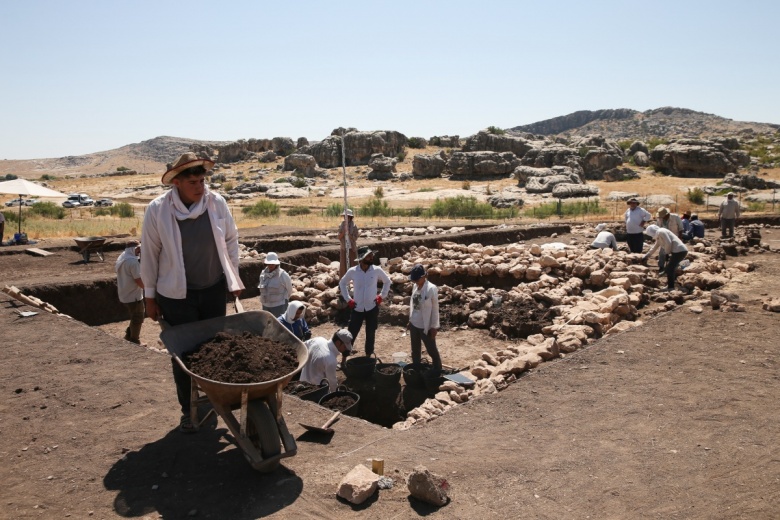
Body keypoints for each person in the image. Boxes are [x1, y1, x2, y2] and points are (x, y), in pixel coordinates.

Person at [141, 152, 244, 433]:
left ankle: (212, 404)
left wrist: (230, 276)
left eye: (202, 181)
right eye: (193, 183)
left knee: (214, 350)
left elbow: (231, 239)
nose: (200, 187)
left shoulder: (215, 203)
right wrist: (149, 298)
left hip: (211, 288)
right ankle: (189, 410)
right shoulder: (158, 210)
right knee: (184, 356)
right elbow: (150, 255)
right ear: (176, 183)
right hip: (176, 295)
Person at [338, 245, 391, 357]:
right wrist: (348, 300)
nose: (372, 258)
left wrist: (381, 296)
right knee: (351, 334)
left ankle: (368, 356)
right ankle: (344, 357)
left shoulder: (377, 270)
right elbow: (342, 283)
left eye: (372, 256)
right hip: (357, 308)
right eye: (369, 256)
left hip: (372, 307)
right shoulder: (353, 271)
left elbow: (387, 281)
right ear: (361, 259)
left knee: (370, 333)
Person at [407, 264, 442, 371]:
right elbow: (415, 305)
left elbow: (435, 309)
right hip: (415, 323)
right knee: (415, 350)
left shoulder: (431, 289)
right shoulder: (415, 287)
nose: (415, 282)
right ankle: (417, 369)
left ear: (424, 276)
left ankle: (437, 370)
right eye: (414, 280)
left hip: (425, 325)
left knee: (431, 350)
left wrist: (434, 326)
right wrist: (410, 320)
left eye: (417, 279)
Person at [115, 240, 145, 346]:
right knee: (138, 317)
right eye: (137, 249)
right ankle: (134, 340)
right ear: (132, 249)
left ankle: (128, 336)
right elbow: (139, 280)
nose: (139, 251)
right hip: (133, 296)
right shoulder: (132, 262)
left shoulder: (123, 258)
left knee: (134, 316)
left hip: (125, 293)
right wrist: (150, 289)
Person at [642, 224, 688, 292]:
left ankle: (671, 287)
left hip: (679, 251)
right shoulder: (659, 235)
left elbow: (668, 242)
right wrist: (646, 256)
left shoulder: (661, 232)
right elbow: (654, 248)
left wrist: (667, 253)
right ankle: (672, 284)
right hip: (677, 251)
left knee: (670, 269)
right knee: (672, 268)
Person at [257, 252, 292, 317]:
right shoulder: (262, 274)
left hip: (279, 305)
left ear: (276, 263)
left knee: (279, 324)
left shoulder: (283, 275)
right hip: (265, 305)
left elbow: (289, 290)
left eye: (273, 263)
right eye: (269, 263)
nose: (271, 265)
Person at [655, 207, 684, 272]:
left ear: (667, 214)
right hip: (664, 238)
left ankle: (678, 268)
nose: (662, 217)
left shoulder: (675, 217)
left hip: (675, 238)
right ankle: (661, 267)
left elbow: (681, 229)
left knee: (676, 254)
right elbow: (658, 229)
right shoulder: (660, 219)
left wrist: (680, 239)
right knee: (662, 253)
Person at [337, 209, 359, 278]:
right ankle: (343, 282)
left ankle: (356, 280)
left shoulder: (354, 226)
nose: (346, 218)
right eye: (345, 217)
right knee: (343, 265)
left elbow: (355, 238)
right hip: (344, 247)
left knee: (354, 263)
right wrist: (343, 232)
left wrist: (349, 234)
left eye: (347, 217)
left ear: (350, 217)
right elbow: (339, 237)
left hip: (352, 247)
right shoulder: (341, 225)